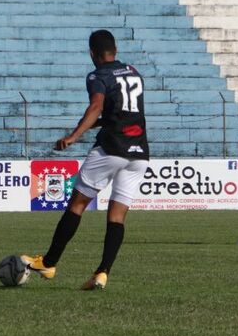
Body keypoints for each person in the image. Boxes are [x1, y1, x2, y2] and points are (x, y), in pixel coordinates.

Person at [21, 29, 149, 290]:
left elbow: (96, 106)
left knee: (77, 205)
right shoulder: (133, 71)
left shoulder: (98, 75)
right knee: (117, 215)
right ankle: (102, 273)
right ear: (115, 50)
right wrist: (96, 123)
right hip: (139, 153)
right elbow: (122, 111)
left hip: (111, 148)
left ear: (93, 53)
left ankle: (49, 262)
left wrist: (74, 135)